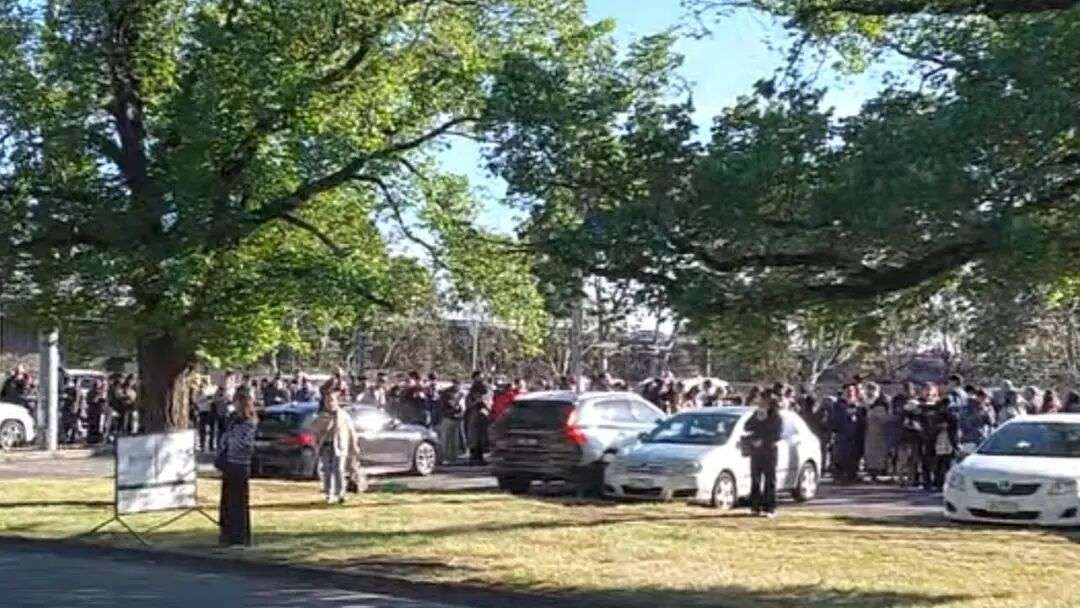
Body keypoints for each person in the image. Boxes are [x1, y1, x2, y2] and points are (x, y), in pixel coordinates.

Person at [217, 390, 257, 547]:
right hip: (229, 462)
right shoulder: (233, 421)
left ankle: (239, 536)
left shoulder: (250, 422)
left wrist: (231, 440)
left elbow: (245, 443)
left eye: (237, 402)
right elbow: (224, 438)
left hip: (240, 464)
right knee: (227, 501)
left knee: (238, 502)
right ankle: (226, 533)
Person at [310, 390, 357, 504]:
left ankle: (340, 493)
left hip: (340, 446)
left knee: (339, 469)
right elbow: (314, 429)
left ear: (336, 402)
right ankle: (328, 494)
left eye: (331, 400)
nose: (329, 403)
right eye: (327, 401)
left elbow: (351, 432)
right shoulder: (322, 416)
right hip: (326, 446)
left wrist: (354, 446)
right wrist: (324, 424)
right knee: (327, 470)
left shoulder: (343, 415)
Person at [743, 396, 782, 517]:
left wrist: (763, 440)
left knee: (769, 481)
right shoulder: (757, 414)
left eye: (764, 403)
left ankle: (769, 508)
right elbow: (746, 426)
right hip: (756, 452)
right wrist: (757, 419)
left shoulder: (776, 418)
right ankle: (755, 507)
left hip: (769, 451)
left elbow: (777, 435)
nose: (761, 405)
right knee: (755, 480)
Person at [921, 397, 959, 492]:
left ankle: (938, 483)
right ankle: (936, 483)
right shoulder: (935, 416)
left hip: (944, 443)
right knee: (938, 464)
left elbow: (954, 430)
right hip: (937, 442)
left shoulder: (950, 417)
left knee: (943, 464)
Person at [862, 383, 894, 481]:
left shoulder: (883, 403)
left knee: (879, 453)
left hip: (880, 433)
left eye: (872, 390)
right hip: (870, 433)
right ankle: (872, 472)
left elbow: (886, 419)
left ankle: (880, 471)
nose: (870, 392)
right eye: (868, 390)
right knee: (871, 453)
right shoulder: (866, 402)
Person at [465, 371, 492, 465]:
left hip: (482, 413)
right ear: (475, 377)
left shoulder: (484, 387)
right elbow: (470, 401)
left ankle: (479, 457)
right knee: (475, 436)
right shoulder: (474, 388)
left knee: (481, 436)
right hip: (475, 412)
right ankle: (474, 457)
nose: (481, 378)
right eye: (479, 377)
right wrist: (477, 401)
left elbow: (487, 398)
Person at [958, 388, 995, 454]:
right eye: (984, 398)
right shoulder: (969, 407)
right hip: (969, 439)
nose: (985, 400)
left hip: (980, 438)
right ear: (979, 397)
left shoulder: (985, 407)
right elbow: (965, 422)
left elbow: (990, 422)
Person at [437, 379, 465, 464]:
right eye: (458, 384)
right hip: (448, 417)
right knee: (446, 439)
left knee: (455, 440)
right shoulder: (447, 394)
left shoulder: (460, 393)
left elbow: (462, 406)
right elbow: (452, 405)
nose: (459, 386)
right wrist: (458, 400)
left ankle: (453, 458)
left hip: (457, 418)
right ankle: (443, 458)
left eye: (460, 385)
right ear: (454, 384)